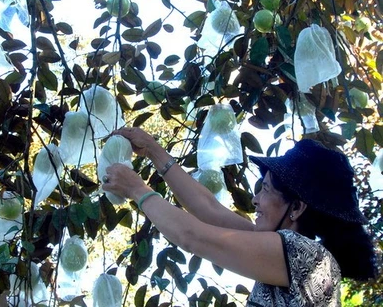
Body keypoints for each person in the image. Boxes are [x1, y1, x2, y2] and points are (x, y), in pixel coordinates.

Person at [101, 127, 377, 306]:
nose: (255, 199)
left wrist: (137, 189)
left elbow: (192, 236)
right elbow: (208, 209)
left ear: (296, 208)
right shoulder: (288, 252)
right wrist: (152, 149)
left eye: (265, 189)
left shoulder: (303, 254)